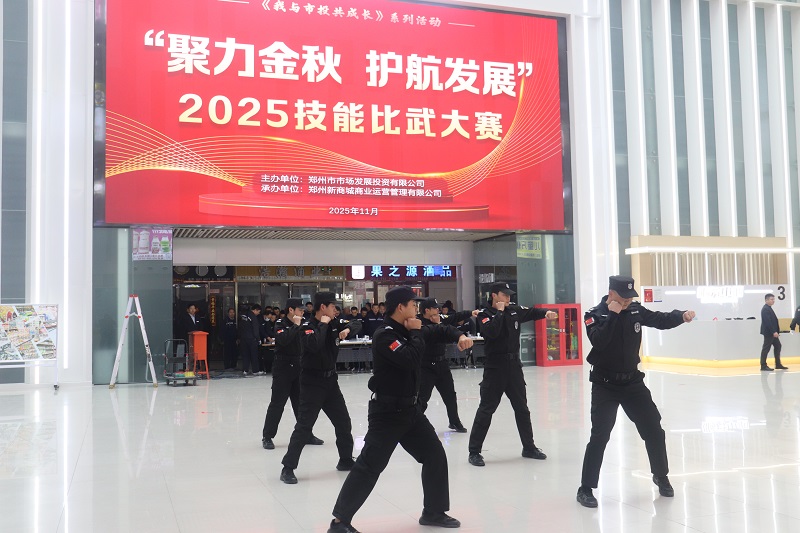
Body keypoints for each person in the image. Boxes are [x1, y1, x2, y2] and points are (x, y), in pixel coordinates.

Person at [327, 287, 461, 533]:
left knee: (434, 455)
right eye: (413, 305)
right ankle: (339, 522)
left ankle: (433, 512)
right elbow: (410, 358)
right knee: (369, 466)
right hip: (387, 413)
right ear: (400, 307)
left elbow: (439, 330)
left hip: (411, 411)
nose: (416, 309)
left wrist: (459, 335)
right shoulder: (385, 335)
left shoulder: (409, 329)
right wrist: (417, 333)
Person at [576, 275, 696, 508]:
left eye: (630, 298)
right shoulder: (594, 314)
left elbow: (659, 319)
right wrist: (613, 314)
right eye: (624, 298)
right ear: (611, 294)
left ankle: (661, 476)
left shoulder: (635, 310)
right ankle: (586, 488)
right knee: (600, 436)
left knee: (654, 429)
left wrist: (680, 316)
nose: (628, 302)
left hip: (632, 383)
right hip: (605, 384)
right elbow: (599, 342)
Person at [468, 283, 556, 467]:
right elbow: (491, 332)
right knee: (486, 409)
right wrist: (499, 312)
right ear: (494, 295)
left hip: (514, 367)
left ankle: (529, 447)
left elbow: (532, 312)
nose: (508, 298)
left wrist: (546, 312)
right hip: (495, 368)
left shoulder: (514, 310)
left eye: (509, 295)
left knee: (522, 408)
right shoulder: (484, 315)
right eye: (504, 295)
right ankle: (474, 451)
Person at [280, 292, 362, 484]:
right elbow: (314, 345)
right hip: (312, 383)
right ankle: (288, 468)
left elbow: (357, 323)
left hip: (331, 382)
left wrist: (347, 330)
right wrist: (323, 325)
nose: (336, 310)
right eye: (333, 307)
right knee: (304, 426)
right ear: (323, 307)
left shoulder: (335, 323)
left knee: (343, 422)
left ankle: (345, 459)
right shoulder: (307, 327)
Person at [262, 299, 324, 450]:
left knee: (302, 404)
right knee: (277, 404)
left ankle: (306, 434)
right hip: (282, 368)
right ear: (291, 310)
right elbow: (283, 340)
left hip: (299, 366)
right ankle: (267, 436)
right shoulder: (280, 324)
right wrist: (295, 326)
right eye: (300, 310)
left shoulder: (304, 324)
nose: (303, 312)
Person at [418, 297, 474, 432]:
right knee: (423, 397)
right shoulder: (418, 323)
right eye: (435, 308)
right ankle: (414, 422)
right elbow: (437, 331)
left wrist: (471, 313)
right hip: (425, 365)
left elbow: (455, 317)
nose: (438, 310)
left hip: (442, 363)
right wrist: (438, 324)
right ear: (427, 310)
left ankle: (454, 421)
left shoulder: (440, 318)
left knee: (450, 395)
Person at [760, 293, 788, 371]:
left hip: (773, 333)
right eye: (771, 299)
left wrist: (776, 331)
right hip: (769, 333)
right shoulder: (765, 309)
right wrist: (773, 332)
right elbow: (768, 322)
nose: (773, 301)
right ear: (766, 300)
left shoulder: (769, 308)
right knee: (766, 348)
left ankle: (778, 364)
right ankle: (763, 365)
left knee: (778, 346)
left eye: (773, 299)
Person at [238, 304, 262, 376]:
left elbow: (239, 327)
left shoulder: (243, 316)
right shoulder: (253, 316)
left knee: (245, 355)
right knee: (254, 355)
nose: (258, 313)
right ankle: (255, 371)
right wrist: (258, 339)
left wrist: (239, 337)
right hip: (252, 339)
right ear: (255, 310)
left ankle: (245, 370)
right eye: (258, 312)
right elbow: (255, 329)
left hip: (243, 338)